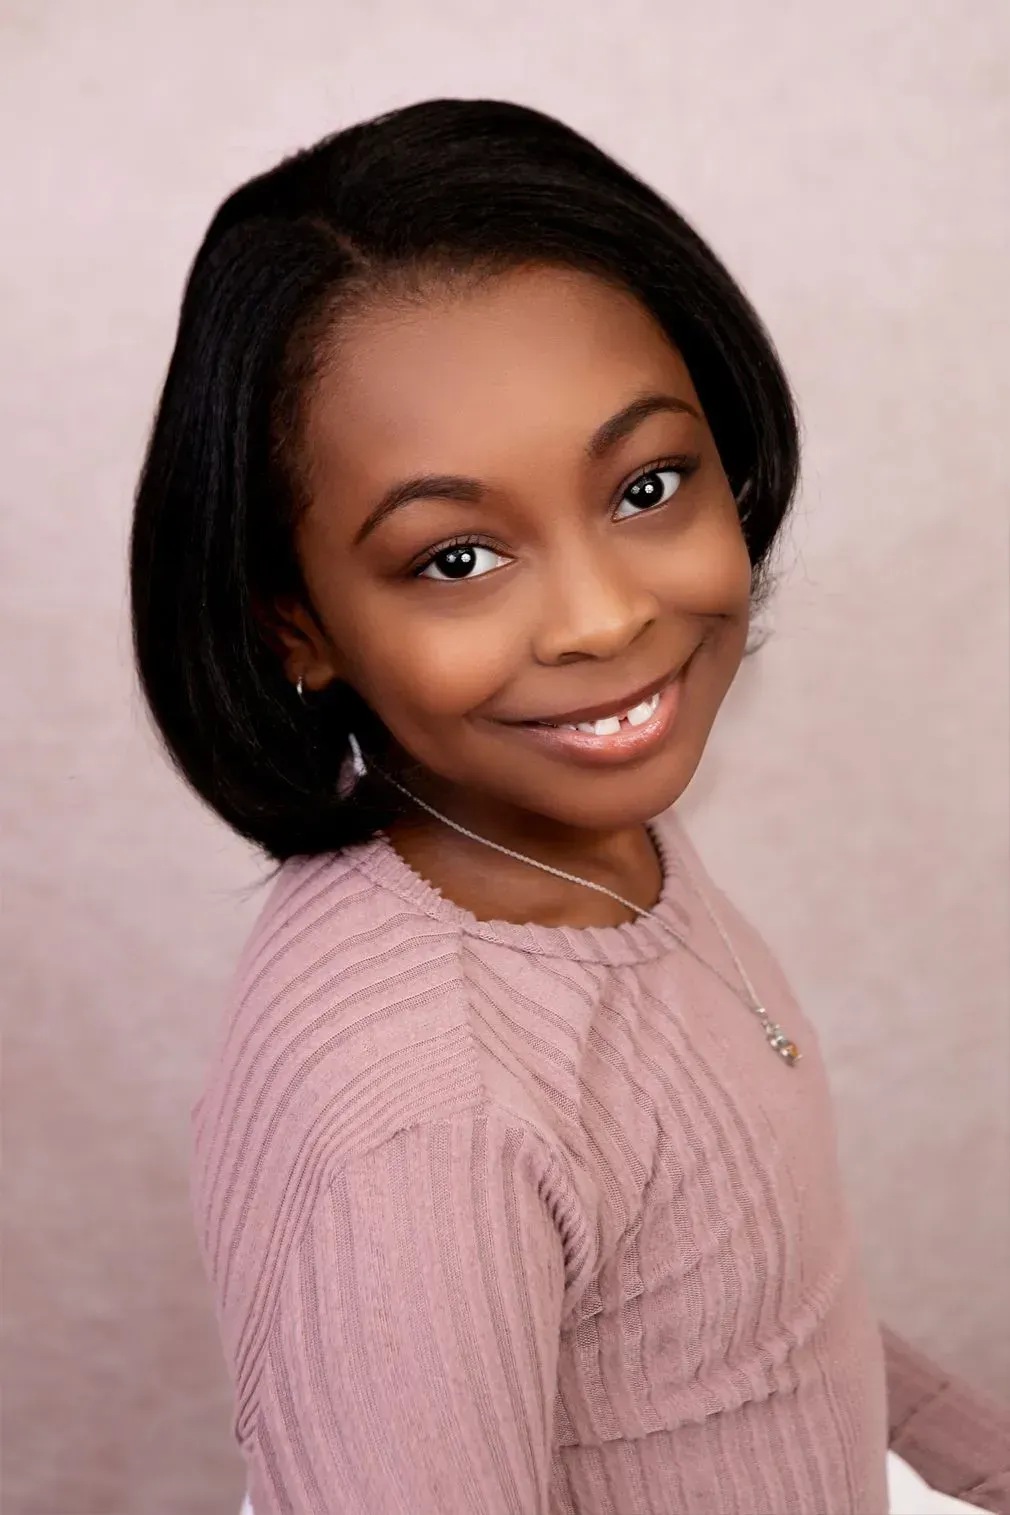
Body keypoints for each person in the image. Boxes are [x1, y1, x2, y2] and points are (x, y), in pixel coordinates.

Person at [129, 98, 1010, 1515]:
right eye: (457, 556)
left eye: (647, 483)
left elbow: (770, 1321)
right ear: (294, 626)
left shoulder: (584, 842)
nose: (603, 617)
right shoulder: (431, 1108)